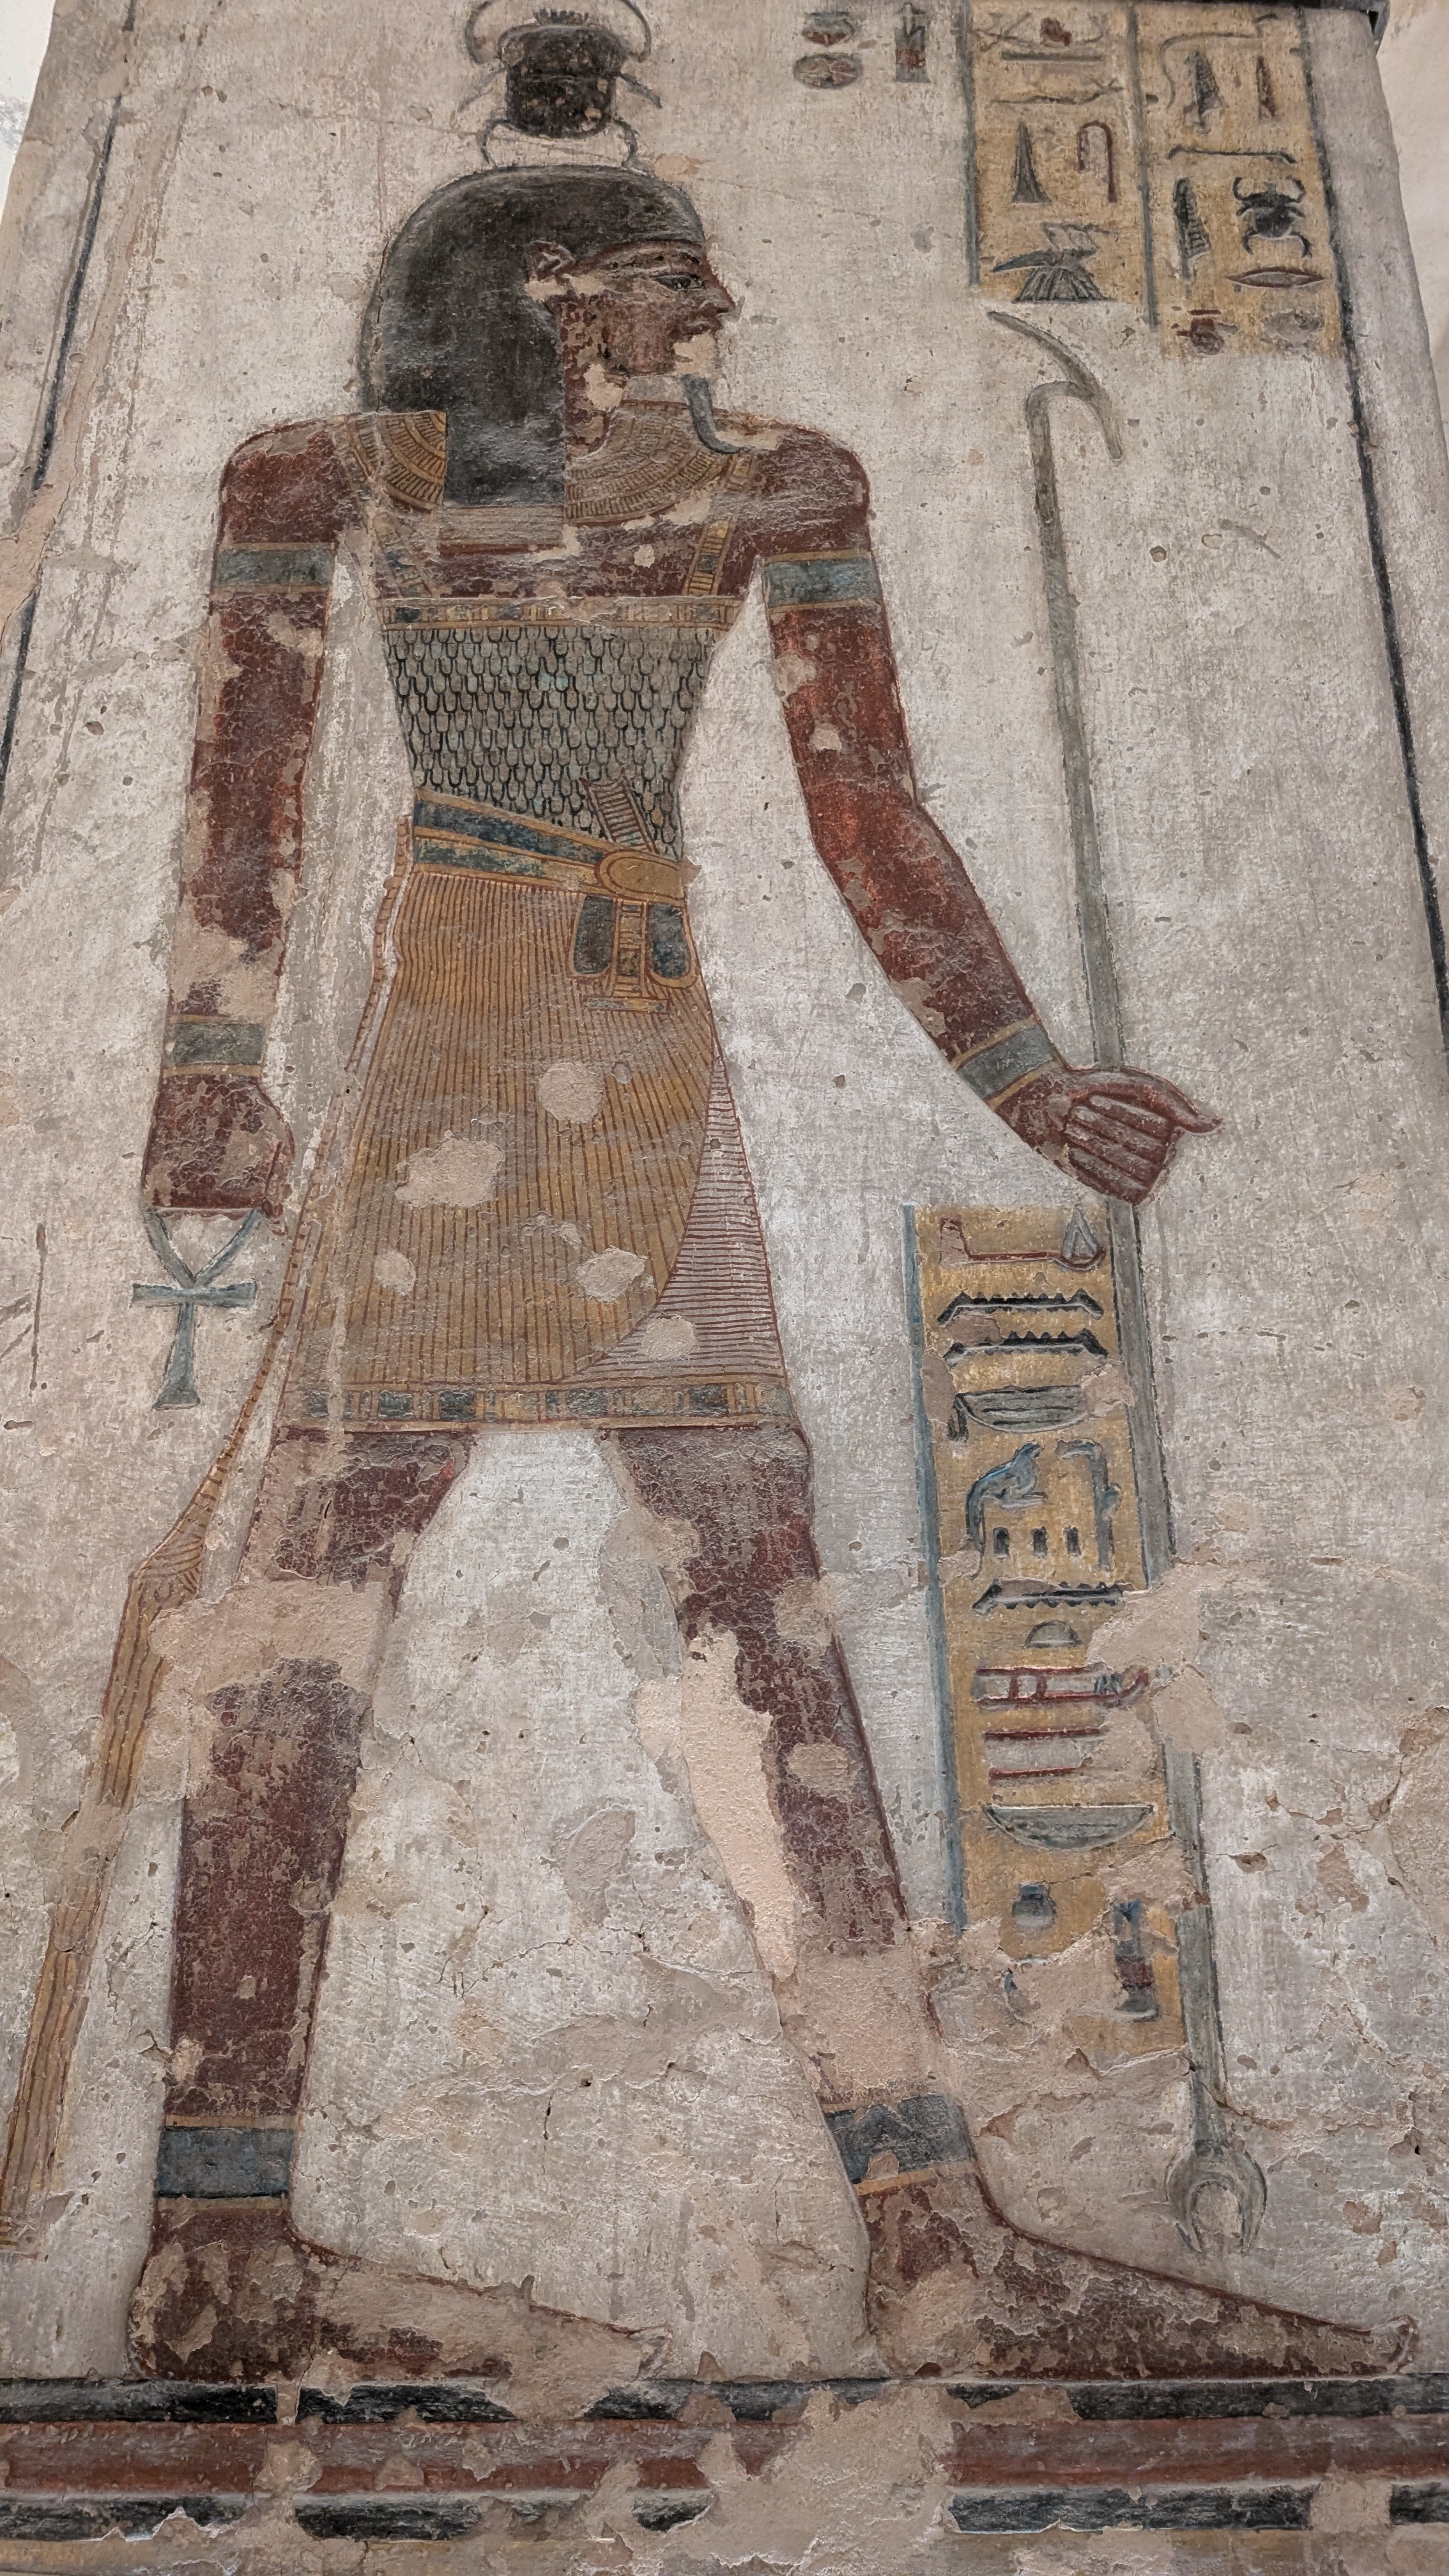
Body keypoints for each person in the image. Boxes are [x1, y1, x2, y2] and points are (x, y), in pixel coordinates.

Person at [127, 167, 1383, 2386]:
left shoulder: (774, 485)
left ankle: (931, 2240)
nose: (716, 302)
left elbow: (862, 792)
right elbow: (249, 779)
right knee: (318, 1579)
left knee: (759, 1587)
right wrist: (210, 1068)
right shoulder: (333, 480)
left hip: (639, 1048)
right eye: (663, 275)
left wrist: (1023, 1074)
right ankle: (220, 2234)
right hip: (445, 1044)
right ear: (549, 305)